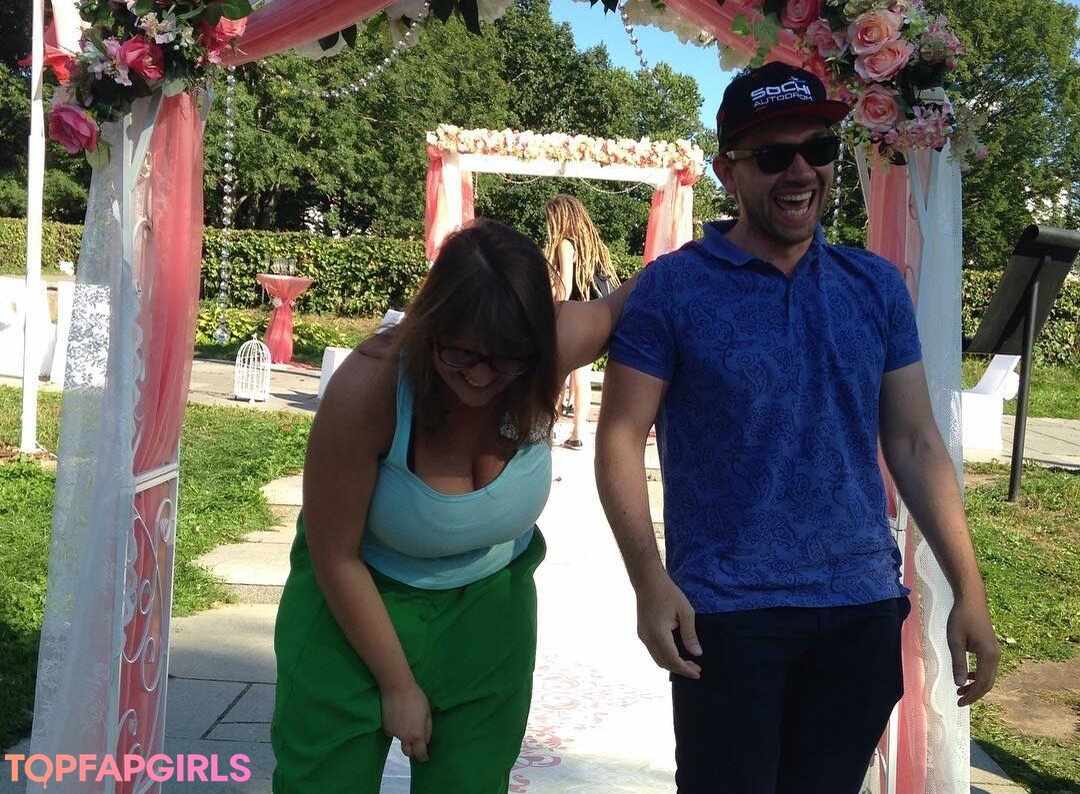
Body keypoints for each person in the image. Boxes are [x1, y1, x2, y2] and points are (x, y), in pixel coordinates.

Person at [594, 62, 1000, 794]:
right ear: (728, 171)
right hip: (726, 614)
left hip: (858, 607)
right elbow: (620, 436)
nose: (801, 171)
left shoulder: (874, 286)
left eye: (818, 148)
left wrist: (967, 588)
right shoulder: (672, 288)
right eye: (774, 155)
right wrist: (647, 580)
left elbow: (914, 442)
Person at [271, 218, 633, 794]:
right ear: (430, 327)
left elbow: (637, 293)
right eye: (462, 353)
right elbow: (335, 555)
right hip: (354, 601)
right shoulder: (369, 387)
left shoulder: (549, 349)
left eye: (508, 359)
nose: (483, 377)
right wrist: (398, 686)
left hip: (488, 613)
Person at [543, 193, 620, 450]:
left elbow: (564, 287)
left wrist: (549, 306)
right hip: (595, 316)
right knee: (581, 377)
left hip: (573, 316)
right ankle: (578, 433)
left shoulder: (566, 243)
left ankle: (548, 428)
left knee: (557, 373)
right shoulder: (593, 246)